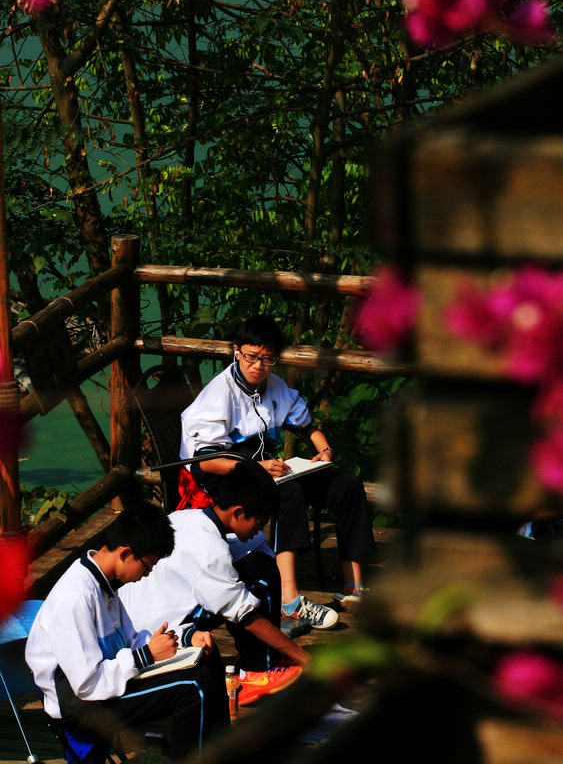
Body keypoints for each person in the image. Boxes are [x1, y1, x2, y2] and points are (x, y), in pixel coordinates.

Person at [178, 314, 377, 627]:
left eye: (267, 358)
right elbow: (204, 462)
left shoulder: (276, 387)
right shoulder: (219, 394)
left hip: (267, 471)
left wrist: (325, 451)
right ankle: (289, 600)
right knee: (289, 491)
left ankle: (353, 587)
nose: (258, 365)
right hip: (224, 477)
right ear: (236, 351)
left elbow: (308, 427)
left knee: (347, 486)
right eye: (251, 356)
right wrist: (256, 467)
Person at [26, 502, 228, 761]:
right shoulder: (76, 598)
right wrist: (146, 656)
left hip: (109, 681)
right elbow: (87, 684)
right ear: (126, 553)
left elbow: (131, 640)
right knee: (193, 686)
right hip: (80, 705)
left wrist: (187, 638)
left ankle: (225, 750)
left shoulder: (104, 582)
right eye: (148, 566)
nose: (147, 574)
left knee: (207, 657)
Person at [120, 460, 310, 707]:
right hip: (160, 633)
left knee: (257, 565)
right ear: (238, 513)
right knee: (260, 575)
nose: (260, 530)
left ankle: (267, 658)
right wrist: (302, 655)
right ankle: (255, 673)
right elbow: (245, 615)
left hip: (134, 623)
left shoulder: (185, 517)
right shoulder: (212, 550)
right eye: (260, 521)